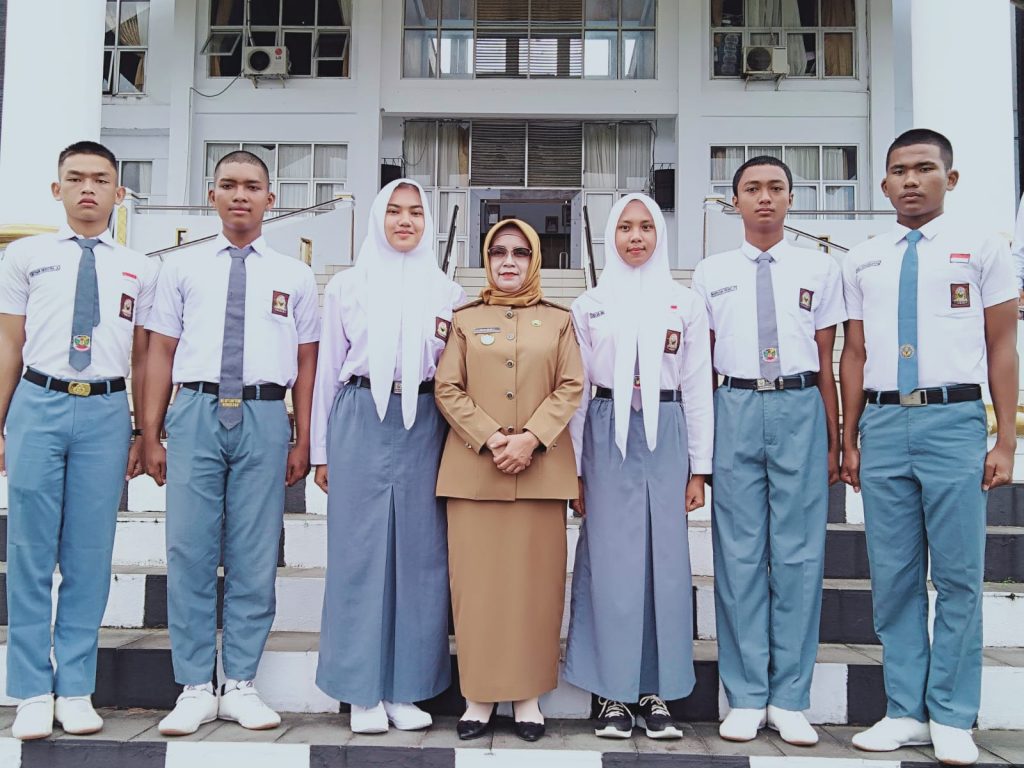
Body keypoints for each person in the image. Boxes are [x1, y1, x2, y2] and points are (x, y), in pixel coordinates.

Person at [840, 129, 1018, 766]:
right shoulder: (863, 259)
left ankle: (951, 714)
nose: (911, 180)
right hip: (884, 424)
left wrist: (1005, 438)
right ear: (883, 183)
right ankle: (904, 712)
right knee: (893, 578)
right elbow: (853, 352)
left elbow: (1003, 346)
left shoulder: (984, 249)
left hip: (954, 420)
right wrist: (849, 436)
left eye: (924, 168)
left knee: (959, 577)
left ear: (951, 178)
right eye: (899, 171)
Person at [142, 150, 320, 736]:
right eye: (228, 185)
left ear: (271, 198)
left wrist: (304, 437)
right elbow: (160, 353)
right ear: (212, 194)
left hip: (265, 414)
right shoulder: (181, 268)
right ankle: (195, 685)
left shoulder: (294, 275)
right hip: (195, 411)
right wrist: (150, 431)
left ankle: (240, 681)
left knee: (254, 551)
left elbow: (308, 362)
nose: (240, 195)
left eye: (251, 186)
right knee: (189, 549)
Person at [0, 141, 156, 740]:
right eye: (75, 178)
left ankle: (75, 687)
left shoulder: (141, 267)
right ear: (56, 188)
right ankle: (31, 689)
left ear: (119, 192)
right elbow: (9, 343)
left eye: (99, 179)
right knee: (31, 551)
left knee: (89, 554)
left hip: (106, 409)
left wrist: (143, 430)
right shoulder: (26, 256)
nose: (87, 188)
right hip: (38, 401)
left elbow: (143, 357)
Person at [692, 156, 845, 747]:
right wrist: (701, 448)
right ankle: (747, 694)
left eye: (775, 187)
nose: (764, 197)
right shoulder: (711, 271)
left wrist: (835, 436)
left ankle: (790, 698)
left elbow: (829, 359)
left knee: (800, 556)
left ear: (790, 198)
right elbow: (701, 365)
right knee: (739, 556)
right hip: (734, 404)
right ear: (735, 201)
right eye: (752, 188)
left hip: (799, 404)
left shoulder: (820, 268)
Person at [310, 179, 465, 734]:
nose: (405, 221)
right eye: (395, 211)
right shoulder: (347, 286)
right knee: (359, 554)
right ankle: (361, 690)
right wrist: (321, 450)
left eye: (416, 212)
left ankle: (407, 688)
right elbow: (328, 370)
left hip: (425, 420)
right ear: (379, 217)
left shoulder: (448, 292)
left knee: (421, 557)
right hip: (361, 416)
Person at [564, 194, 713, 740]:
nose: (635, 236)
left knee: (664, 565)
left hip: (666, 430)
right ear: (611, 235)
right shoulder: (590, 305)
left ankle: (656, 690)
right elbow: (577, 391)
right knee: (610, 564)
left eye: (646, 226)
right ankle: (611, 691)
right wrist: (575, 468)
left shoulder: (684, 303)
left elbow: (697, 385)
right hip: (607, 431)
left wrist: (700, 468)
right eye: (625, 227)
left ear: (659, 234)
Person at [434, 219, 583, 742]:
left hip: (541, 474)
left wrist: (531, 439)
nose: (509, 261)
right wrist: (494, 437)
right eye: (498, 252)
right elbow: (447, 387)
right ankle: (477, 697)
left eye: (520, 252)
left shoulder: (559, 321)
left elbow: (571, 385)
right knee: (476, 590)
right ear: (486, 258)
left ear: (535, 259)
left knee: (534, 591)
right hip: (474, 472)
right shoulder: (464, 320)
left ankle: (527, 699)